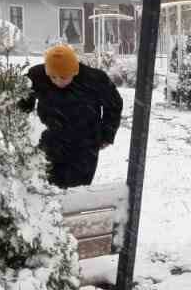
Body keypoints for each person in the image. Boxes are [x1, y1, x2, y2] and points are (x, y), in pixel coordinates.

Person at [19, 44, 123, 188]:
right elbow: (22, 101)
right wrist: (18, 119)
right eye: (53, 77)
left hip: (84, 145)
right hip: (49, 142)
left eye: (63, 77)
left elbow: (114, 105)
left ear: (74, 71)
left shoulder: (95, 79)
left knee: (77, 191)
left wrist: (107, 134)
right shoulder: (37, 76)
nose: (58, 81)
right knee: (47, 190)